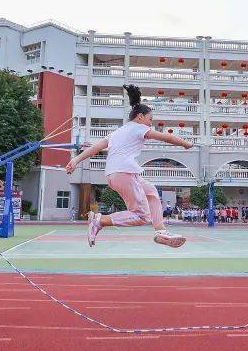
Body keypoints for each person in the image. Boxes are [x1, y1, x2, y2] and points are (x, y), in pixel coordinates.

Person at [66, 85, 193, 248]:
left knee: (152, 192)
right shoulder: (140, 128)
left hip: (113, 175)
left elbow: (95, 148)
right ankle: (101, 220)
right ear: (140, 117)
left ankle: (160, 231)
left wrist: (76, 160)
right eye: (150, 119)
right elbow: (164, 137)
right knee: (141, 216)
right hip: (124, 172)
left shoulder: (117, 132)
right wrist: (185, 143)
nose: (150, 124)